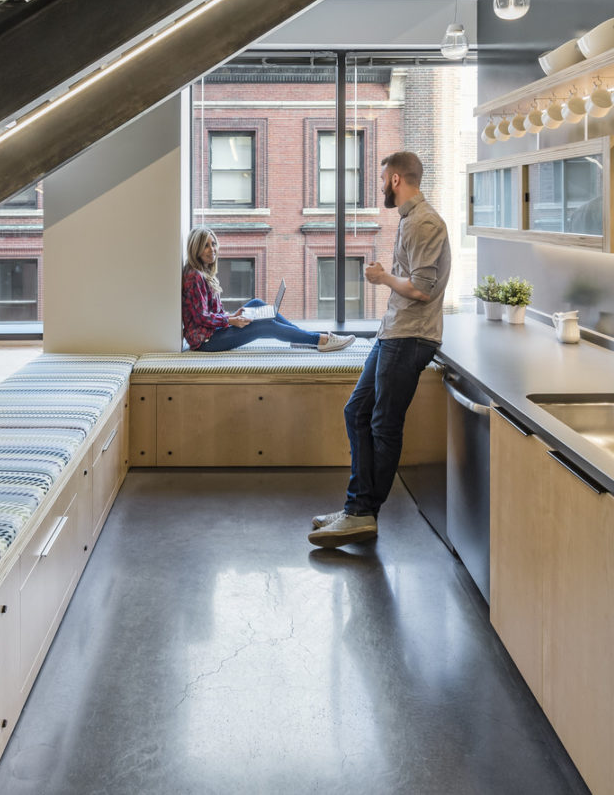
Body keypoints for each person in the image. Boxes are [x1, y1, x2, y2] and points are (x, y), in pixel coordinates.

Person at [309, 150, 448, 548]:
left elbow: (421, 289)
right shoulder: (410, 222)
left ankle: (362, 513)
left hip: (410, 337)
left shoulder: (424, 223)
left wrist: (383, 277)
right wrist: (387, 278)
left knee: (383, 425)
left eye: (382, 178)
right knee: (357, 410)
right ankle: (357, 509)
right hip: (394, 333)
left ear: (396, 180)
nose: (380, 186)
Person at [181, 227, 356, 353]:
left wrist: (232, 316)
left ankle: (300, 338)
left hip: (214, 332)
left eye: (213, 244)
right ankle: (321, 340)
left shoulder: (202, 271)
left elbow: (209, 313)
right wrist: (230, 320)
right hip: (207, 341)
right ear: (196, 248)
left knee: (257, 304)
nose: (212, 249)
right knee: (266, 325)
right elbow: (201, 317)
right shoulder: (194, 276)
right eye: (206, 246)